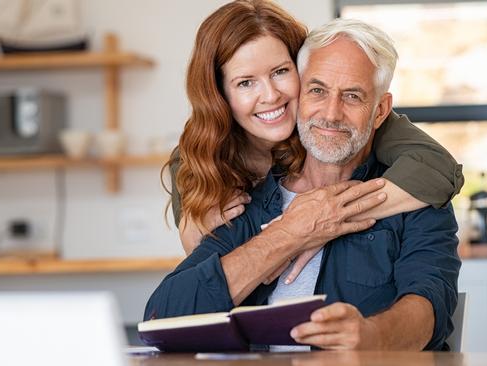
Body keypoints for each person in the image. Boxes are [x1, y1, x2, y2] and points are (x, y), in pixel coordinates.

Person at [146, 18, 461, 351]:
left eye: (352, 96)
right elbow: (163, 321)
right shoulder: (240, 195)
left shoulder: (414, 194)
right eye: (318, 90)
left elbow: (431, 304)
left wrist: (374, 337)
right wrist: (289, 233)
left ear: (380, 110)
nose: (331, 113)